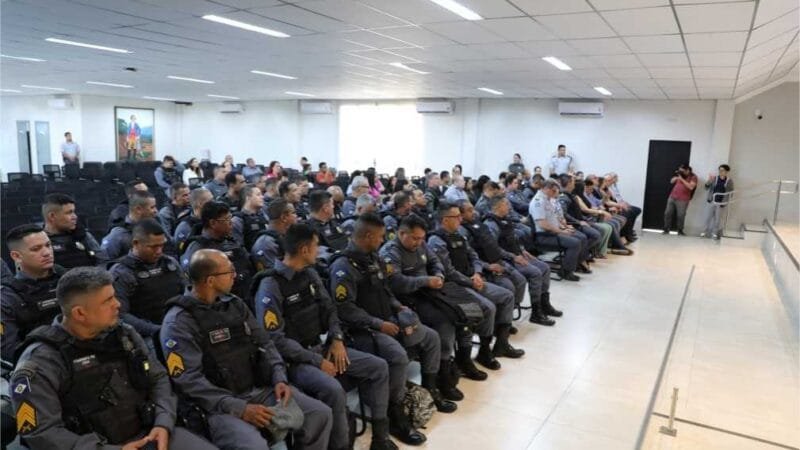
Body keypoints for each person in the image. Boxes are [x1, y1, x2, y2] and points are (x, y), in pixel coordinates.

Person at [10, 266, 216, 450]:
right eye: (108, 300)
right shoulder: (41, 362)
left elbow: (158, 378)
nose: (117, 305)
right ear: (80, 313)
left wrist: (163, 423)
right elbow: (42, 433)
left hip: (151, 434)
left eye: (114, 296)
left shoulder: (123, 334)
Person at [160, 249, 333, 450]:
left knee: (319, 414)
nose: (235, 275)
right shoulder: (178, 323)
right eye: (229, 272)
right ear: (210, 281)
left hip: (257, 388)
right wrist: (240, 408)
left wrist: (279, 377)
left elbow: (265, 343)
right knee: (255, 446)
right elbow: (189, 381)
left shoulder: (234, 304)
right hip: (217, 405)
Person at [253, 224, 400, 450]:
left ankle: (380, 437)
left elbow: (330, 308)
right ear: (304, 250)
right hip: (296, 360)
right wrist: (317, 361)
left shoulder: (310, 274)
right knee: (333, 389)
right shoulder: (270, 285)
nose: (318, 250)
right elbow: (275, 339)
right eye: (316, 246)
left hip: (323, 346)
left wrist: (337, 339)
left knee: (378, 367)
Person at [330, 214, 452, 445]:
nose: (383, 240)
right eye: (378, 236)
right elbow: (344, 309)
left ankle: (431, 390)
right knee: (397, 358)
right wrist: (379, 324)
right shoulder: (343, 267)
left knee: (432, 338)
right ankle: (393, 415)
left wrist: (398, 306)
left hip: (387, 318)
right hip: (362, 330)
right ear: (367, 236)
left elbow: (385, 290)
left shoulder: (373, 257)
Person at [381, 215, 490, 382]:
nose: (418, 242)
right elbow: (396, 282)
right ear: (401, 233)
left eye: (421, 238)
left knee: (469, 308)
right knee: (445, 320)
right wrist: (426, 281)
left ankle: (464, 359)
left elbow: (435, 262)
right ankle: (442, 370)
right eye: (414, 238)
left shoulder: (422, 244)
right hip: (410, 298)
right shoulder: (390, 252)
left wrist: (438, 274)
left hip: (432, 290)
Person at [428, 204, 523, 362]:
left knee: (507, 296)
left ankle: (501, 344)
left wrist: (477, 273)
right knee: (488, 307)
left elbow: (474, 257)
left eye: (460, 215)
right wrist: (471, 281)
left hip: (472, 279)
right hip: (455, 286)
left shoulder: (459, 234)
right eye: (456, 216)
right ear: (445, 220)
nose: (460, 219)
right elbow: (448, 271)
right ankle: (483, 352)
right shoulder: (436, 240)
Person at [483, 197, 561, 324]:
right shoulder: (491, 224)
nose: (508, 207)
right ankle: (536, 312)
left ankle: (544, 304)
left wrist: (522, 250)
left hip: (517, 255)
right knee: (535, 272)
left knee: (545, 268)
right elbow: (494, 249)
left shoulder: (505, 220)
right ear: (496, 207)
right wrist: (513, 256)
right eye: (505, 204)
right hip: (505, 260)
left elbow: (513, 240)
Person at [109, 219, 186, 346]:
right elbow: (120, 314)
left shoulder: (170, 263)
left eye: (162, 245)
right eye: (153, 247)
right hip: (146, 335)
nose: (159, 251)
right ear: (136, 243)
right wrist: (157, 330)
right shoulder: (122, 272)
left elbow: (186, 294)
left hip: (178, 327)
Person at [1, 225, 65, 362]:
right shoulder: (7, 298)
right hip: (42, 365)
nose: (47, 252)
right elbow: (9, 350)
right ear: (16, 256)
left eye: (48, 245)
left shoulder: (69, 279)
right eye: (36, 249)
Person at [180, 202, 256, 306]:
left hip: (242, 299)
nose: (231, 223)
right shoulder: (197, 248)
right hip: (217, 304)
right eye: (227, 220)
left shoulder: (231, 242)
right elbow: (193, 281)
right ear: (213, 223)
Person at [530, 180, 584, 282]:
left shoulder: (547, 199)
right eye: (553, 191)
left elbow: (555, 218)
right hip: (544, 236)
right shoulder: (538, 202)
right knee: (575, 243)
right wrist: (562, 232)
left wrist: (564, 228)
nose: (555, 193)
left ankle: (572, 264)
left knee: (579, 237)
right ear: (546, 189)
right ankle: (566, 271)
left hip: (553, 233)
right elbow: (543, 225)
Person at [41, 193, 105, 269]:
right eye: (69, 213)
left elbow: (103, 262)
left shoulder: (83, 236)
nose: (75, 216)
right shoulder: (39, 241)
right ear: (52, 216)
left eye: (74, 212)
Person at [101, 190, 159, 260]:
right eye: (152, 207)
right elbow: (104, 264)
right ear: (138, 209)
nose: (156, 211)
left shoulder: (155, 227)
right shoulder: (117, 236)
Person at [252, 199, 297, 272]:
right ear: (284, 218)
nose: (296, 216)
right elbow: (275, 275)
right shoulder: (265, 244)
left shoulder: (286, 236)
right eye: (294, 213)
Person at [174, 188, 214, 253]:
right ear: (200, 204)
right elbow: (181, 251)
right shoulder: (185, 227)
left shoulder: (215, 219)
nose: (214, 203)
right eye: (211, 201)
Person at [702, 164, 734, 239]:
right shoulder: (714, 178)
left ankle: (714, 233)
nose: (720, 172)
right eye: (719, 170)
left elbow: (731, 192)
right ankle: (704, 232)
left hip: (721, 203)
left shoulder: (729, 181)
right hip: (712, 200)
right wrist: (709, 180)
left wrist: (725, 201)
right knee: (708, 217)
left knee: (717, 219)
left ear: (726, 171)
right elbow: (706, 187)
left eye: (722, 170)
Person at [663, 165, 697, 235]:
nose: (681, 172)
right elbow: (671, 181)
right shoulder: (680, 174)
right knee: (667, 213)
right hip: (672, 197)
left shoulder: (693, 177)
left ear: (687, 170)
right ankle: (666, 229)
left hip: (683, 200)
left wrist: (681, 179)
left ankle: (680, 230)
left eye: (682, 171)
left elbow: (691, 187)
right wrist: (676, 178)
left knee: (681, 215)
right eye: (680, 170)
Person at [232, 184, 268, 250]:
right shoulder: (238, 220)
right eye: (258, 195)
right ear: (248, 197)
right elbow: (238, 247)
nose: (262, 197)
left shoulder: (264, 215)